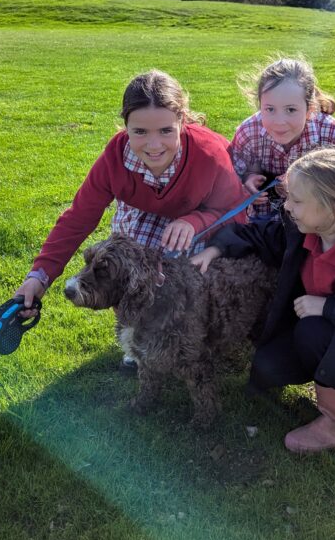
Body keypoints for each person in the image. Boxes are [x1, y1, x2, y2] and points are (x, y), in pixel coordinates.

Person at [191, 148, 335, 453]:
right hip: (332, 337)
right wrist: (215, 249)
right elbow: (258, 235)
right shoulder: (303, 230)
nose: (287, 206)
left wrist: (329, 308)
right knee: (269, 365)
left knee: (313, 329)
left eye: (297, 200)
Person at [13, 70, 250, 348]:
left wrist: (195, 220)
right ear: (125, 126)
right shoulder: (115, 157)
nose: (153, 145)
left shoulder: (208, 155)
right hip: (145, 212)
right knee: (126, 258)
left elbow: (237, 213)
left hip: (205, 216)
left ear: (182, 122)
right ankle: (138, 331)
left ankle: (187, 333)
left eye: (165, 131)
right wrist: (38, 277)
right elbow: (79, 217)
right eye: (139, 132)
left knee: (183, 268)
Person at [229, 57, 335, 219]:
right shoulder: (248, 133)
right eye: (270, 109)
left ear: (309, 109)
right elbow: (228, 184)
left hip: (317, 225)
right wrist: (247, 182)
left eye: (290, 110)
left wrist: (303, 184)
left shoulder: (332, 134)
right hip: (261, 227)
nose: (279, 122)